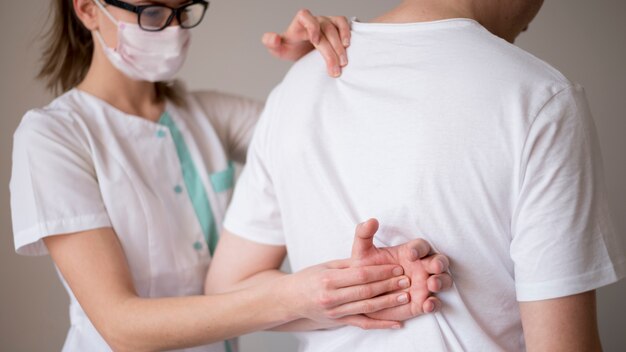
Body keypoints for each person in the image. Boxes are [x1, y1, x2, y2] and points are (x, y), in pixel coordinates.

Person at [9, 0, 455, 351]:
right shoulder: (53, 136)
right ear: (88, 8)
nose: (173, 29)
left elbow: (314, 143)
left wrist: (318, 69)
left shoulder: (207, 116)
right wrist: (298, 296)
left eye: (183, 11)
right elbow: (120, 326)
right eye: (153, 11)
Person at [207, 0, 626, 351]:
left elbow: (227, 292)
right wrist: (355, 293)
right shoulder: (541, 99)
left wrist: (347, 296)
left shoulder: (298, 84)